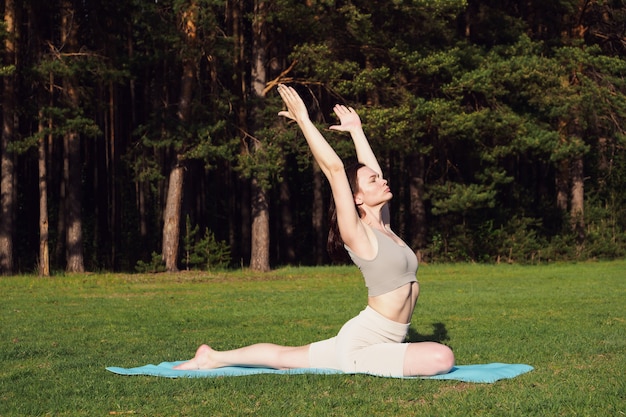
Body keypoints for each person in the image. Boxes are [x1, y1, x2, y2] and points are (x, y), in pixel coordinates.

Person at [173, 84, 455, 377]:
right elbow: (334, 170)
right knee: (441, 357)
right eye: (373, 182)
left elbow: (372, 171)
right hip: (363, 344)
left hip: (370, 340)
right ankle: (214, 358)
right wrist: (305, 121)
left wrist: (357, 131)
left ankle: (211, 357)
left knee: (285, 357)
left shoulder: (385, 227)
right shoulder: (357, 233)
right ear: (356, 197)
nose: (382, 181)